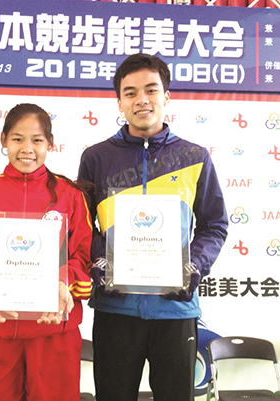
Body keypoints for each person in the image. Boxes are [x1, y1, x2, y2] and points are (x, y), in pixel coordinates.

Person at [77, 53, 228, 401]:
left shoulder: (195, 156)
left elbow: (214, 224)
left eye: (150, 90)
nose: (141, 100)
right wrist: (100, 263)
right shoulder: (96, 158)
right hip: (116, 309)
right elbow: (84, 226)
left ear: (167, 97)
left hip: (175, 308)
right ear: (119, 102)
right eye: (130, 92)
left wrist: (194, 266)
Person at [0, 103, 92, 400]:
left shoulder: (71, 196)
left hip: (53, 330)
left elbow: (81, 256)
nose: (27, 148)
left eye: (37, 140)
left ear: (50, 144)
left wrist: (62, 282)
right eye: (18, 139)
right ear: (3, 139)